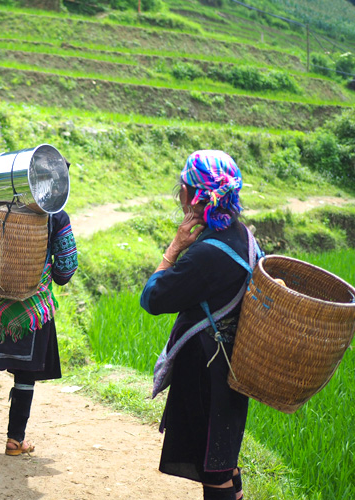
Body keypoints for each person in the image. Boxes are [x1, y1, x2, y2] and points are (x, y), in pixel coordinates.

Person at [140, 150, 262, 500]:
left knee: (215, 469)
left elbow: (152, 299)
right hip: (231, 365)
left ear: (194, 196)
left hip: (205, 374)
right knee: (223, 458)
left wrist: (174, 247)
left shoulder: (204, 254)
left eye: (181, 187)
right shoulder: (243, 237)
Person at [0, 208, 78, 457]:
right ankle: (15, 441)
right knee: (25, 374)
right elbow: (66, 268)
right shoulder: (55, 215)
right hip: (31, 307)